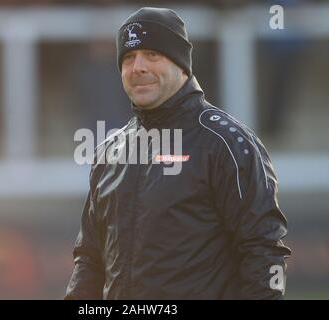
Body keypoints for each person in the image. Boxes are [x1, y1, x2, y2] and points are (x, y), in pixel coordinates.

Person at [65, 7, 291, 300]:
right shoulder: (110, 153)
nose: (138, 67)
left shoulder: (227, 143)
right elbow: (90, 260)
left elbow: (263, 251)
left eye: (152, 55)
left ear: (181, 64)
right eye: (129, 58)